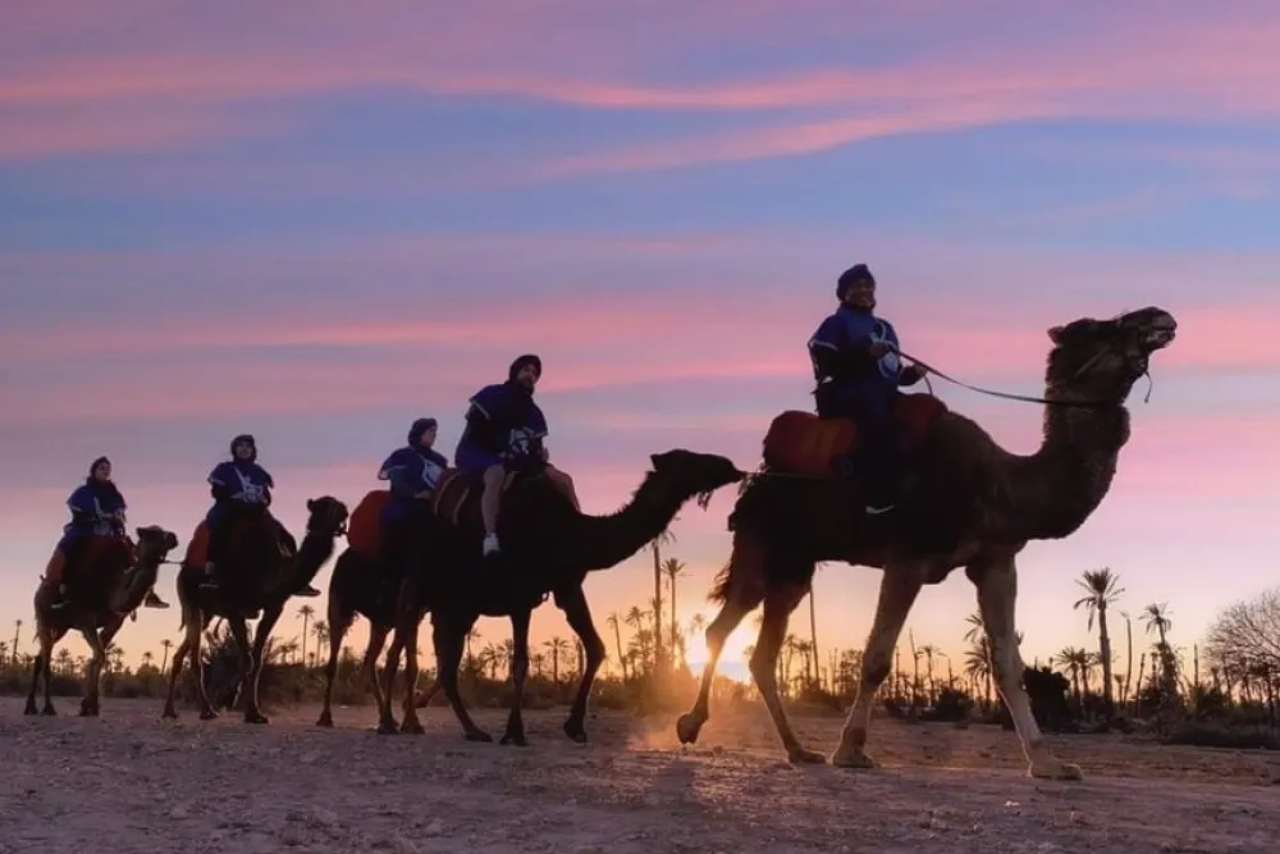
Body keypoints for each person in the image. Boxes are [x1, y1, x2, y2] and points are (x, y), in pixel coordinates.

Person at [807, 263, 928, 514]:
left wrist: (913, 374)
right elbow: (829, 366)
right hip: (847, 395)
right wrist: (865, 354)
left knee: (924, 414)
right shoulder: (835, 324)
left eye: (867, 285)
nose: (864, 290)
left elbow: (892, 375)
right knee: (882, 427)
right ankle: (876, 497)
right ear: (844, 293)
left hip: (882, 393)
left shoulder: (885, 329)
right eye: (857, 286)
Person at [455, 354, 579, 557]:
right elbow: (478, 430)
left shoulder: (534, 413)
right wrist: (505, 453)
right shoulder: (492, 394)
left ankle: (576, 529)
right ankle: (490, 536)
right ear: (515, 372)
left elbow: (534, 445)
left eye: (535, 374)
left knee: (563, 479)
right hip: (479, 451)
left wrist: (539, 455)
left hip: (518, 459)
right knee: (495, 474)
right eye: (526, 370)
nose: (530, 375)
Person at [201, 434, 319, 597]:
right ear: (234, 449)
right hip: (231, 510)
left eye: (247, 446)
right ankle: (211, 575)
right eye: (240, 446)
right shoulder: (224, 469)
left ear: (253, 451)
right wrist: (232, 496)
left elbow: (266, 496)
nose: (244, 449)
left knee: (285, 537)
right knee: (219, 534)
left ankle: (297, 579)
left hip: (257, 511)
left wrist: (263, 500)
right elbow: (217, 491)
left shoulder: (259, 472)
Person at [46, 456, 169, 610]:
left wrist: (118, 516)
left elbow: (120, 509)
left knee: (134, 554)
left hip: (110, 533)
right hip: (86, 531)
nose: (105, 472)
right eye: (102, 468)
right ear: (94, 470)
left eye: (108, 469)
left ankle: (149, 593)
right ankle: (63, 592)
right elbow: (76, 509)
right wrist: (96, 516)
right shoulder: (83, 492)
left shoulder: (113, 493)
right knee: (72, 552)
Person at [376, 417, 449, 580]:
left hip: (434, 507)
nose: (434, 435)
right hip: (404, 507)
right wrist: (416, 494)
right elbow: (397, 480)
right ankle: (388, 581)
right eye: (431, 431)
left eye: (435, 432)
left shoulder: (440, 460)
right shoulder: (403, 455)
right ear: (420, 433)